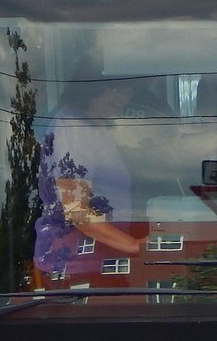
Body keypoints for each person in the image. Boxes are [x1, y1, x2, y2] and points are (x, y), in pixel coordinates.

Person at [34, 73, 142, 278]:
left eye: (127, 92)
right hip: (75, 263)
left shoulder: (98, 125)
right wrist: (134, 245)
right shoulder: (73, 128)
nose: (121, 99)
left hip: (102, 257)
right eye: (113, 90)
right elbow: (78, 211)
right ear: (89, 88)